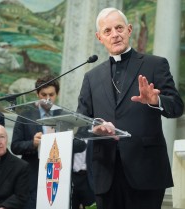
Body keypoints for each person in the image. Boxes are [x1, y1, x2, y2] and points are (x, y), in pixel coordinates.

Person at [77, 7, 184, 209]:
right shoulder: (91, 78)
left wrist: (155, 101)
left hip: (146, 171)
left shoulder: (155, 65)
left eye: (119, 28)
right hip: (105, 173)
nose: (115, 34)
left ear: (129, 29)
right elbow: (81, 122)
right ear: (99, 37)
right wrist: (94, 128)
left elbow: (177, 107)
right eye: (107, 31)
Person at [11, 75, 86, 209]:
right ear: (37, 94)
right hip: (32, 178)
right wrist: (32, 144)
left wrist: (65, 142)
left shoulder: (66, 116)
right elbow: (15, 147)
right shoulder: (25, 115)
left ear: (57, 94)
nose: (47, 98)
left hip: (59, 178)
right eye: (43, 94)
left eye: (51, 94)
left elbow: (81, 144)